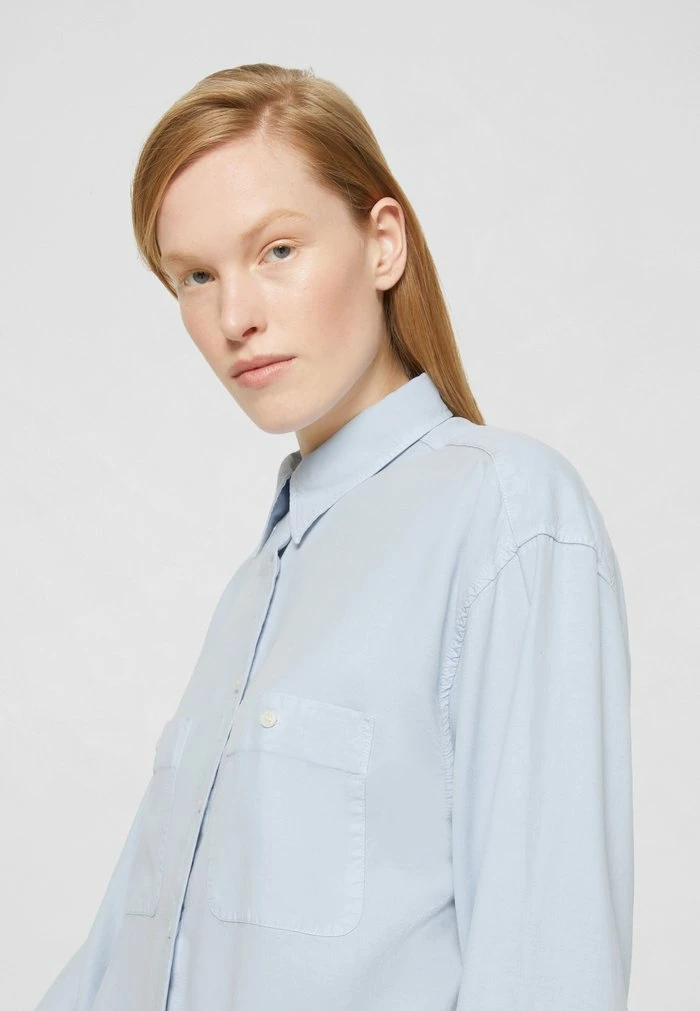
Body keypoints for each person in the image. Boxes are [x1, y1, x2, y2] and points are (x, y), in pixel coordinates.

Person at [36, 63, 634, 1011]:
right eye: (196, 277)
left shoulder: (506, 512)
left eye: (276, 250)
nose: (235, 318)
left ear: (382, 242)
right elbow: (123, 959)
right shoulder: (256, 586)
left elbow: (546, 964)